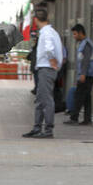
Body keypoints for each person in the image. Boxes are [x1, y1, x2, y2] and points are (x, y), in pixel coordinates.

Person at [23, 8, 64, 139]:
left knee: (46, 100)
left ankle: (47, 129)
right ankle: (37, 127)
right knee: (40, 100)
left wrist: (52, 60)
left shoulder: (46, 33)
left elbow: (49, 48)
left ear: (35, 20)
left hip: (46, 69)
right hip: (46, 69)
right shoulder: (52, 32)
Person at [64, 24, 93, 125]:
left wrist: (83, 74)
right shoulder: (83, 43)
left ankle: (74, 118)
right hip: (88, 75)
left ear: (80, 33)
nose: (74, 36)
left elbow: (86, 60)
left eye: (75, 34)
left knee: (79, 96)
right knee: (86, 98)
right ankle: (87, 119)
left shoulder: (86, 44)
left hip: (86, 75)